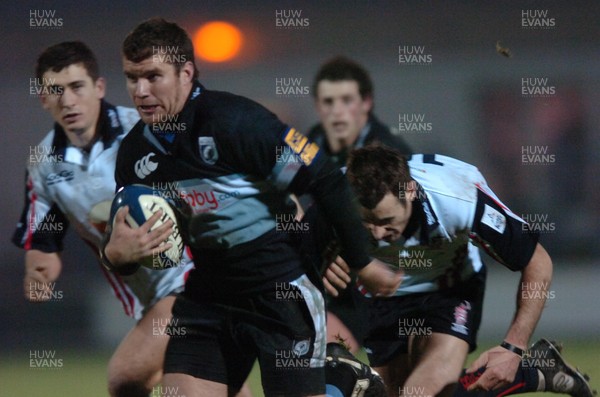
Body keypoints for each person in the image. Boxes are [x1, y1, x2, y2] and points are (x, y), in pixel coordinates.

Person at [101, 18, 401, 397]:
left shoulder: (238, 123)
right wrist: (116, 255)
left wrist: (362, 261)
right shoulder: (135, 153)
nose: (140, 91)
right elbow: (122, 241)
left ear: (186, 73)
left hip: (280, 294)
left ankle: (349, 387)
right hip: (207, 297)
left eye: (152, 76)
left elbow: (325, 180)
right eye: (131, 78)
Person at [11, 41, 199, 397]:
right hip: (148, 297)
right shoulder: (43, 167)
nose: (67, 101)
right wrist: (39, 274)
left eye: (76, 87)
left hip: (194, 278)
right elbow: (43, 243)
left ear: (98, 88)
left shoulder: (144, 128)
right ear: (43, 99)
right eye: (55, 91)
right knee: (202, 388)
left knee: (125, 377)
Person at [337, 145, 593, 397]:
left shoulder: (459, 201)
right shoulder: (335, 196)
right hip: (382, 296)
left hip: (449, 289)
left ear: (410, 192)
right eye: (367, 223)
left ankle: (525, 369)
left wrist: (513, 348)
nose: (379, 234)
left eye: (386, 221)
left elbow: (537, 261)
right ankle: (535, 372)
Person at [306, 56, 413, 353]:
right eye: (328, 102)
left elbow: (398, 224)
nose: (337, 113)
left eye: (346, 100)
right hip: (336, 280)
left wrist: (347, 251)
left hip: (387, 275)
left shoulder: (390, 152)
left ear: (366, 103)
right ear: (318, 106)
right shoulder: (309, 144)